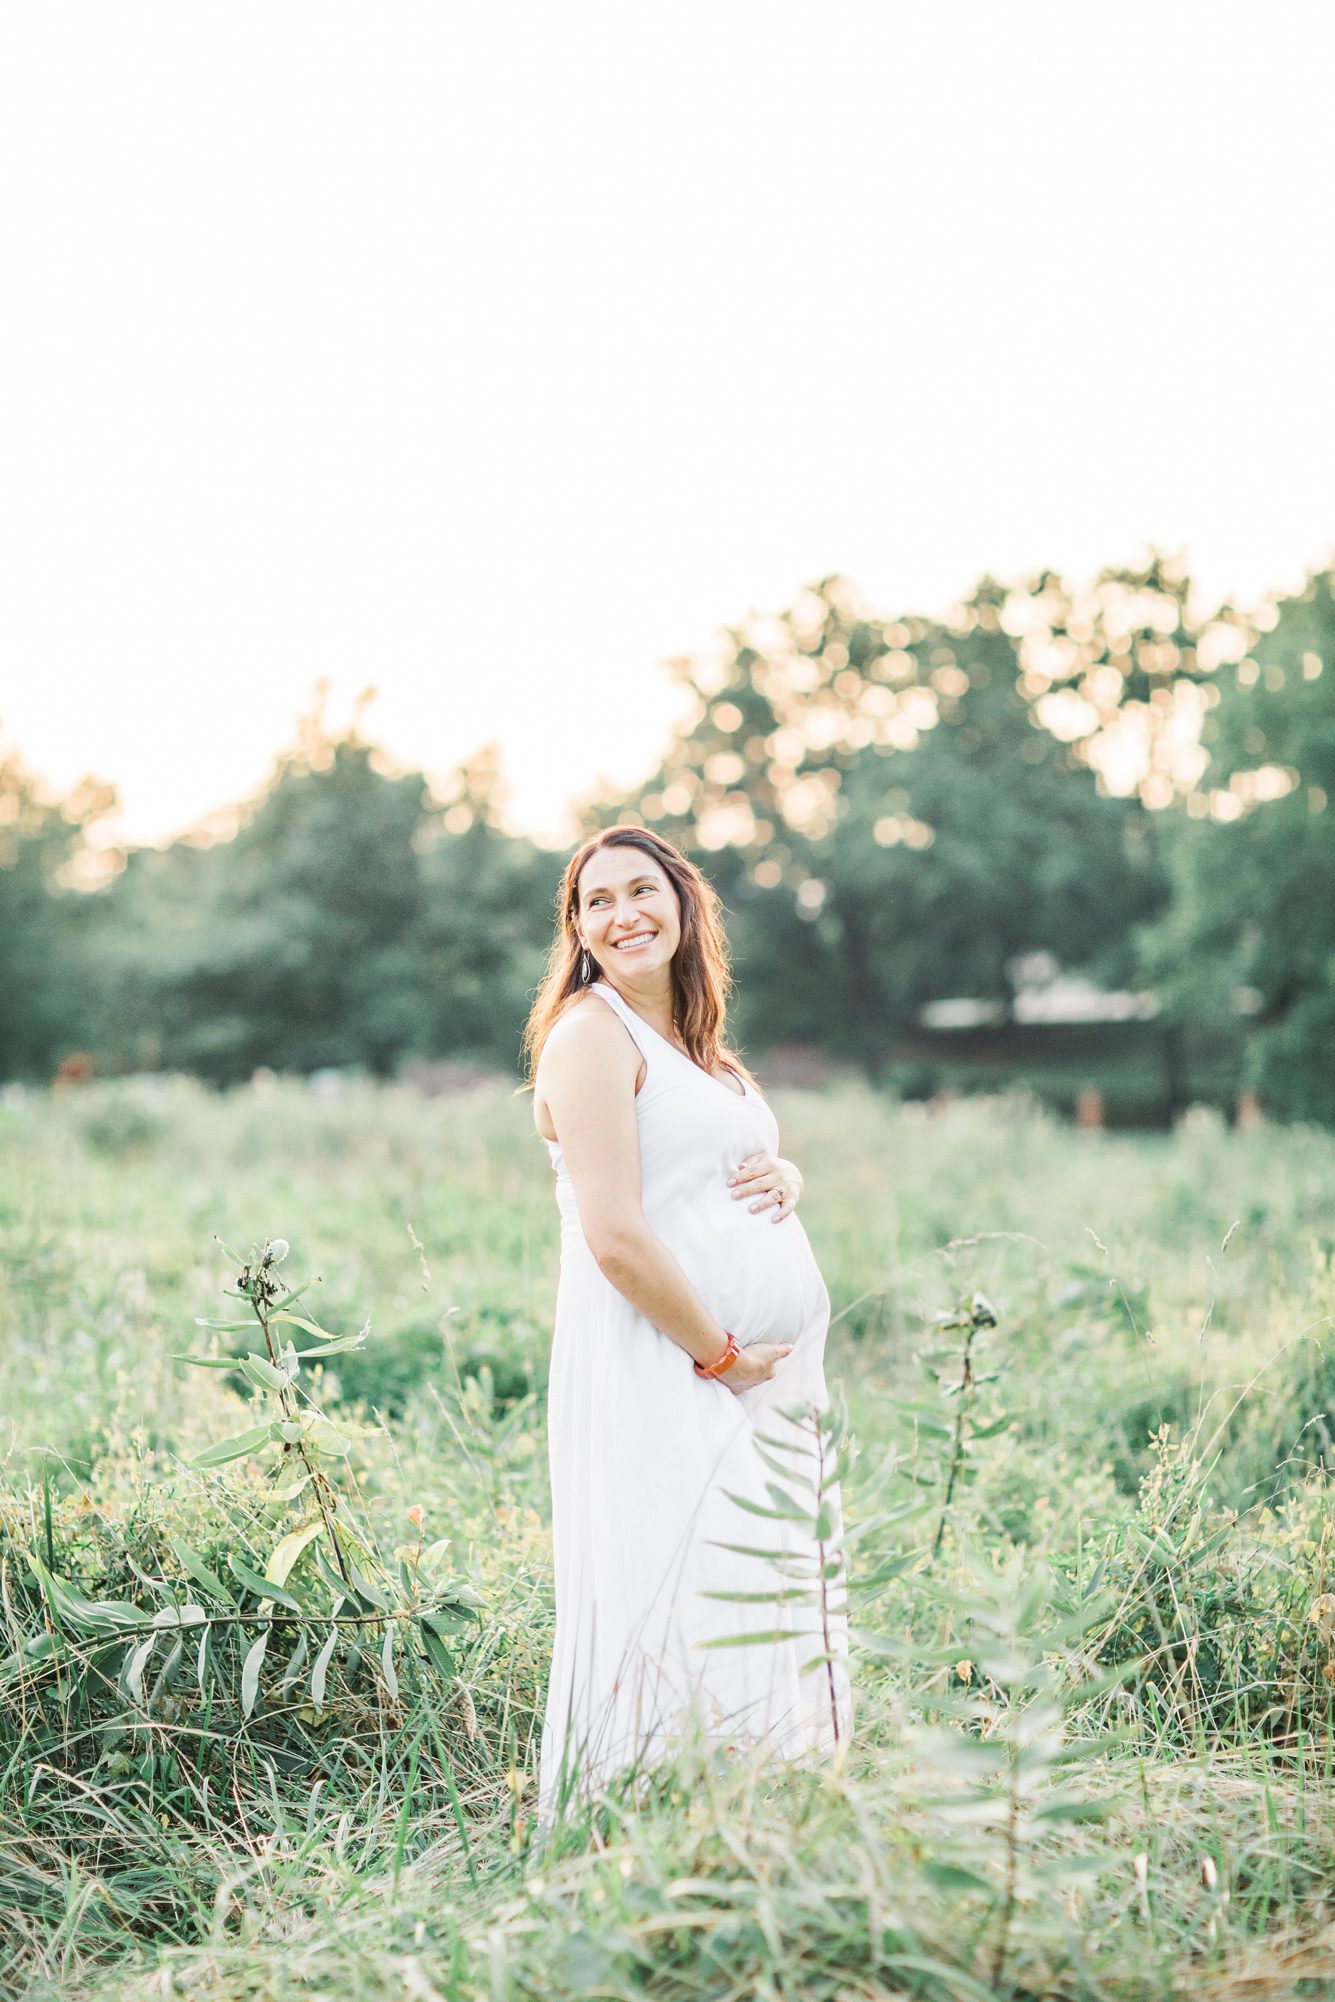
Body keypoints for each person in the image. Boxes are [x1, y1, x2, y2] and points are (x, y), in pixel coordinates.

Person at [523, 826, 853, 1813]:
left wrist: (785, 1173)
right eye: (596, 901)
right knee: (691, 1586)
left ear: (682, 901)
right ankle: (662, 1827)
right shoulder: (591, 1032)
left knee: (769, 1589)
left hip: (757, 1375)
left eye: (640, 890)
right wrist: (719, 1354)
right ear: (577, 929)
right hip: (668, 1356)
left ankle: (767, 1822)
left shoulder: (697, 1046)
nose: (622, 914)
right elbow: (614, 1236)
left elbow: (705, 1165)